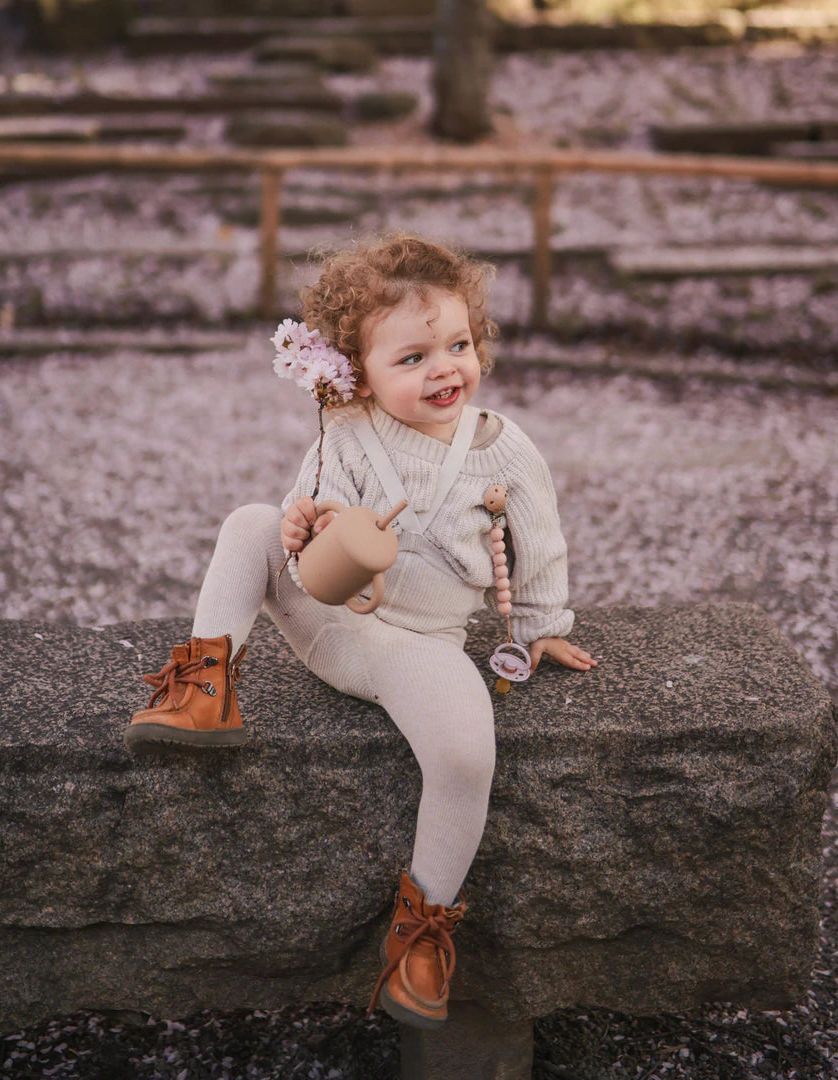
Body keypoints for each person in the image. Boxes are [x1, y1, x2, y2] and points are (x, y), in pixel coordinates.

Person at [124, 233, 597, 1029]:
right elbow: (298, 532)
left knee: (465, 752)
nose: (444, 367)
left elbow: (539, 540)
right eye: (411, 358)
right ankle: (207, 680)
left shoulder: (505, 451)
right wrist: (300, 525)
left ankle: (420, 927)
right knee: (250, 523)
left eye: (457, 345)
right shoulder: (346, 430)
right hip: (325, 618)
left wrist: (544, 624)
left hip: (418, 649)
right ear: (359, 372)